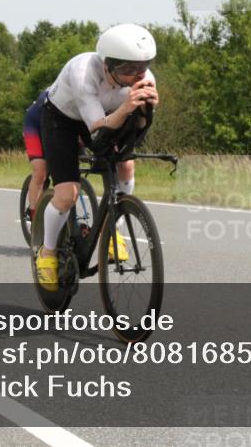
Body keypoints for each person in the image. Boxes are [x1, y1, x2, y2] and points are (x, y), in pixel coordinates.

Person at [36, 24, 159, 291]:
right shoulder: (83, 73)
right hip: (64, 120)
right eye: (127, 70)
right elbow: (97, 132)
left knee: (126, 165)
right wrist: (127, 106)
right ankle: (46, 252)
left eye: (142, 67)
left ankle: (112, 228)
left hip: (108, 116)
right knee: (67, 193)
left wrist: (145, 113)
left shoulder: (144, 77)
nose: (135, 76)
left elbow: (134, 133)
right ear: (106, 65)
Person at [22, 89, 50, 225]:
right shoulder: (57, 93)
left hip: (55, 127)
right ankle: (35, 220)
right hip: (34, 124)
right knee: (40, 172)